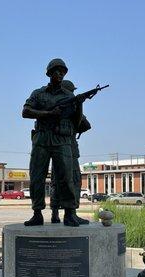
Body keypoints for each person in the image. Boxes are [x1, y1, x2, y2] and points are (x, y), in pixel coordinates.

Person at [22, 58, 82, 227]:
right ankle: (37, 213)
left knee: (66, 177)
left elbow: (76, 123)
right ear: (49, 73)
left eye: (62, 71)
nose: (60, 74)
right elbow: (25, 111)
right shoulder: (39, 93)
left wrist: (80, 106)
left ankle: (70, 213)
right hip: (41, 138)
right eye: (56, 71)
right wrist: (48, 113)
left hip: (61, 140)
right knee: (36, 176)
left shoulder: (69, 96)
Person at [50, 80, 91, 225]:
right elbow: (86, 125)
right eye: (71, 91)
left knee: (56, 182)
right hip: (68, 149)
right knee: (73, 181)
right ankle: (71, 213)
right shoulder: (68, 107)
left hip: (55, 148)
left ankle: (55, 214)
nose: (72, 94)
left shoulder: (53, 105)